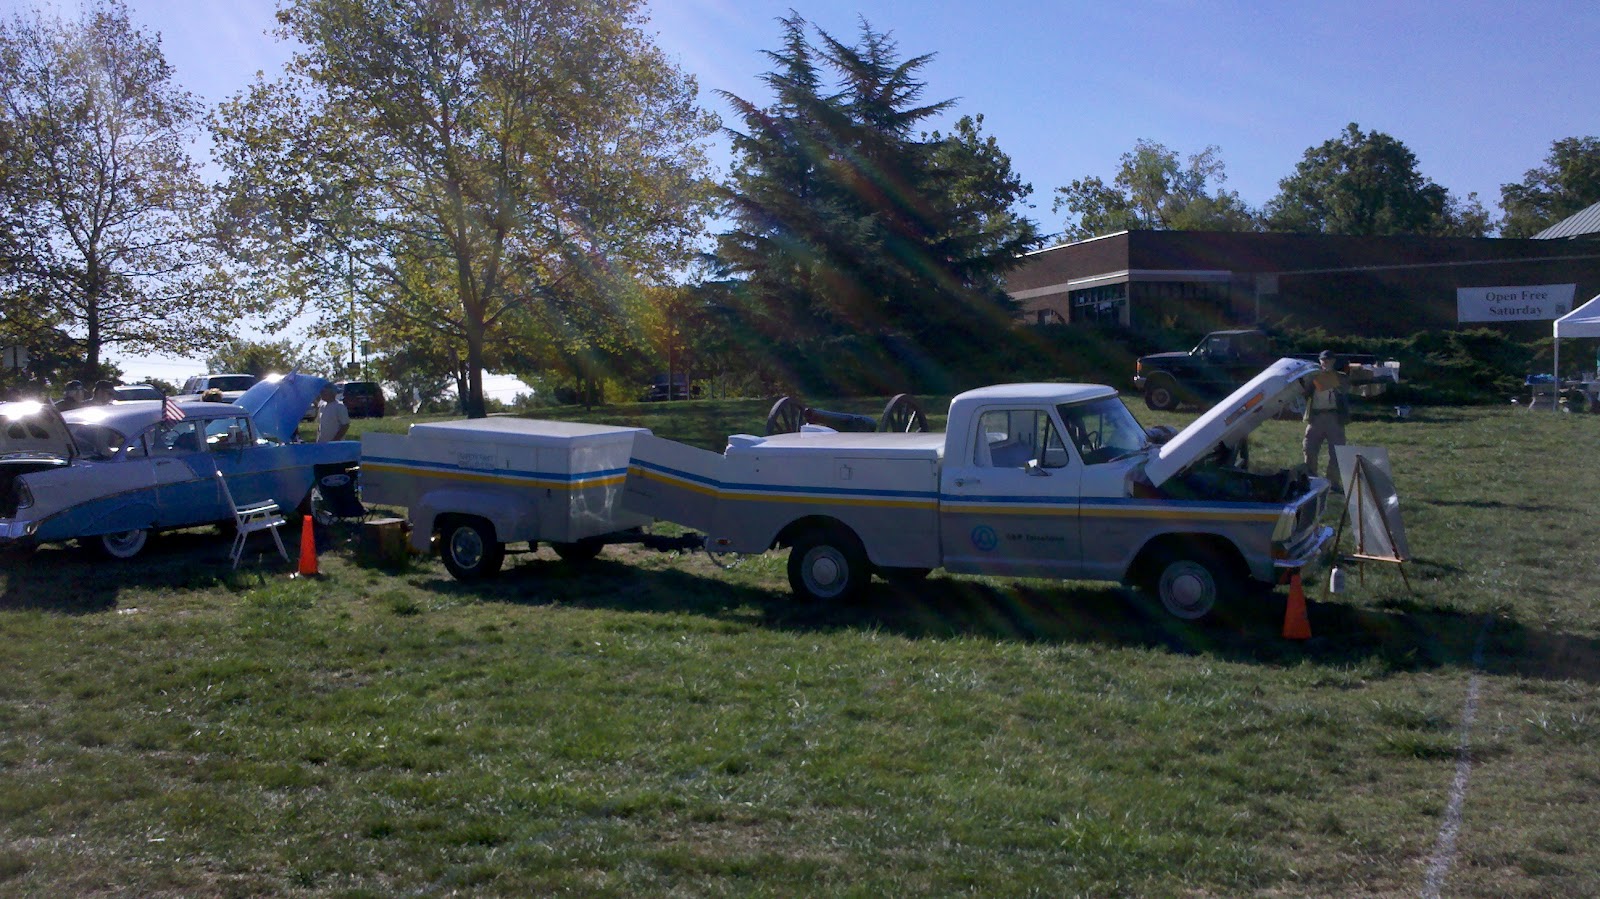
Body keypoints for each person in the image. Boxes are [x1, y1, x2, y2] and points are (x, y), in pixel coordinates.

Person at [1303, 350, 1351, 491]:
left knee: (1337, 451)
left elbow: (1343, 387)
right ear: (1319, 361)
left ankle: (1333, 483)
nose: (1325, 363)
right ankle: (1310, 480)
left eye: (1328, 360)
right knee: (1309, 448)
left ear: (1333, 362)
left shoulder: (1340, 377)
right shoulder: (1312, 377)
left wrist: (1326, 377)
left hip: (1334, 417)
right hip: (1316, 417)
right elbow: (1303, 391)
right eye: (1323, 360)